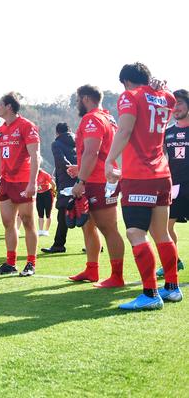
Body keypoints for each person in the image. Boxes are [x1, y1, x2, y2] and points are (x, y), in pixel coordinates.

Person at [105, 63, 181, 310]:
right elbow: (167, 93)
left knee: (135, 233)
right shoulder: (165, 97)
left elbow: (125, 129)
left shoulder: (129, 96)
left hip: (139, 174)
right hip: (162, 173)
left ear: (126, 82)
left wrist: (109, 159)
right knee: (162, 234)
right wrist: (159, 85)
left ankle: (150, 293)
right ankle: (172, 287)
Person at [66, 84, 125, 287]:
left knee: (108, 228)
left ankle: (117, 276)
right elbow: (99, 153)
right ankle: (92, 270)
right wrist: (80, 168)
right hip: (97, 177)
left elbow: (92, 152)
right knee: (88, 226)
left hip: (99, 181)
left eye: (77, 100)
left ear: (85, 99)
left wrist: (81, 180)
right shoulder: (107, 117)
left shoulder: (92, 118)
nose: (76, 105)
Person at [0, 92, 41, 277]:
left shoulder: (27, 126)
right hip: (7, 183)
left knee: (28, 221)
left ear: (9, 106)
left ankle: (30, 263)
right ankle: (10, 263)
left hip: (23, 181)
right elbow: (0, 159)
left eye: (0, 104)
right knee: (8, 223)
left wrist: (32, 183)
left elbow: (35, 156)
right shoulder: (1, 130)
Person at [161, 88, 188, 277]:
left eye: (179, 103)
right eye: (173, 104)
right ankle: (173, 261)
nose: (176, 108)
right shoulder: (167, 132)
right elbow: (161, 157)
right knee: (165, 227)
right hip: (176, 187)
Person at [42, 123, 77, 253]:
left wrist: (70, 171)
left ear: (57, 132)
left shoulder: (56, 144)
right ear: (70, 130)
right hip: (81, 179)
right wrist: (78, 172)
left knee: (62, 215)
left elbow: (61, 162)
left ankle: (58, 245)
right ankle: (96, 244)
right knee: (86, 213)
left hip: (65, 183)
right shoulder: (78, 141)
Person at [35, 169, 55, 236]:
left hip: (47, 194)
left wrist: (52, 191)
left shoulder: (44, 174)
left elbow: (53, 184)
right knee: (40, 213)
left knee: (48, 213)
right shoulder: (32, 174)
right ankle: (40, 230)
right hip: (39, 195)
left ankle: (46, 231)